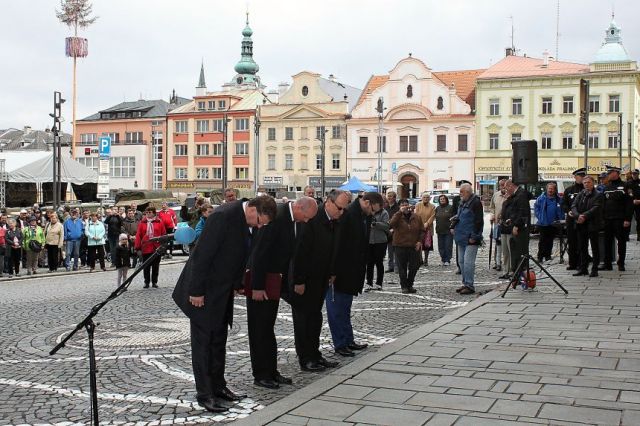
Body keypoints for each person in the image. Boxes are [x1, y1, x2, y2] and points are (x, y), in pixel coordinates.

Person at [172, 195, 276, 413]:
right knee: (203, 345)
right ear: (253, 209)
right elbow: (202, 254)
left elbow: (239, 255)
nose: (259, 226)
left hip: (222, 291)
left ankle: (219, 387)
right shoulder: (223, 216)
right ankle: (205, 394)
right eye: (259, 221)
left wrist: (238, 284)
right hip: (204, 291)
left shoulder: (247, 220)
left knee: (218, 340)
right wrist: (196, 291)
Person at [247, 197, 318, 389]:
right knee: (259, 330)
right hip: (262, 283)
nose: (306, 221)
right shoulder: (274, 216)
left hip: (275, 281)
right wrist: (257, 286)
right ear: (297, 207)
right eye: (306, 217)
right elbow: (259, 253)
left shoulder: (292, 219)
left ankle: (271, 371)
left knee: (268, 329)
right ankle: (261, 374)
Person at [292, 190, 349, 372]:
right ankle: (306, 358)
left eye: (344, 209)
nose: (341, 212)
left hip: (321, 278)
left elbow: (333, 248)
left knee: (315, 318)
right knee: (304, 320)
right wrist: (299, 280)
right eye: (339, 208)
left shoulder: (334, 220)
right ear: (329, 202)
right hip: (306, 279)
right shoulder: (312, 218)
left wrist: (332, 271)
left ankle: (315, 354)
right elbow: (300, 252)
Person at [329, 192, 383, 357]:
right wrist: (332, 271)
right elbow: (336, 245)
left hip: (353, 271)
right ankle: (340, 343)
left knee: (345, 308)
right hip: (341, 272)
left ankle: (348, 340)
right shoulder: (347, 214)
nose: (373, 214)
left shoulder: (362, 216)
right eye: (373, 210)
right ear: (366, 202)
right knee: (337, 309)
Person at [452, 183, 484, 295]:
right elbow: (460, 217)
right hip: (461, 236)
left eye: (462, 192)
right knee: (461, 262)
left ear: (467, 192)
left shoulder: (475, 203)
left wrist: (474, 236)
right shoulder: (463, 202)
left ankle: (470, 285)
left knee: (468, 262)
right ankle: (465, 283)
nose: (460, 194)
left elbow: (479, 221)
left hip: (470, 237)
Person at [570, 175, 603, 278]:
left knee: (594, 247)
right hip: (581, 224)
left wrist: (584, 216)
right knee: (582, 247)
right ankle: (583, 268)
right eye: (584, 183)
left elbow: (595, 208)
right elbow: (573, 206)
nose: (586, 184)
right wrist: (577, 216)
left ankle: (594, 269)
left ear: (593, 183)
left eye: (588, 182)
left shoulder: (598, 195)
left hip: (592, 224)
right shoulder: (581, 194)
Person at [602, 166, 633, 271]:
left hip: (620, 219)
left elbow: (629, 205)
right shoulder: (607, 187)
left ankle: (621, 263)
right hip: (608, 219)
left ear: (616, 173)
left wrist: (627, 219)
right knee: (607, 242)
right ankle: (608, 263)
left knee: (621, 242)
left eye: (610, 172)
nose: (608, 174)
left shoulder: (625, 186)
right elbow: (603, 204)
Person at [389, 199, 424, 294]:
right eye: (402, 205)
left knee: (414, 266)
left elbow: (422, 230)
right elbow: (391, 224)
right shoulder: (397, 216)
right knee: (402, 267)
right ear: (400, 206)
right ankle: (404, 286)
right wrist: (399, 212)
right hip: (400, 245)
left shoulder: (416, 217)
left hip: (413, 245)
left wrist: (419, 241)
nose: (405, 206)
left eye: (406, 204)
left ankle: (410, 284)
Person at [502, 180, 531, 274]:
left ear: (511, 186)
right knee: (516, 251)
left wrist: (516, 225)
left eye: (506, 188)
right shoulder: (516, 195)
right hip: (515, 224)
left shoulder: (521, 195)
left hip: (521, 228)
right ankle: (517, 273)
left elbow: (522, 212)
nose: (506, 190)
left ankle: (520, 273)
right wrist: (512, 220)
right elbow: (515, 211)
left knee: (520, 252)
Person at [134, 206, 166, 288]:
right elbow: (138, 236)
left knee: (155, 266)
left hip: (156, 247)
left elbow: (163, 234)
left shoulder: (159, 222)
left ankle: (154, 282)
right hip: (146, 247)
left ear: (154, 213)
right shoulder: (142, 223)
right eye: (147, 212)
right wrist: (138, 248)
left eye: (150, 212)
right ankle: (146, 282)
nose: (148, 214)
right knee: (146, 266)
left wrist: (163, 246)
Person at [534, 182, 564, 262]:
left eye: (552, 189)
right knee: (542, 240)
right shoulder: (541, 198)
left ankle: (548, 255)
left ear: (555, 190)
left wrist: (560, 219)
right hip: (543, 223)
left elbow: (561, 210)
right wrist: (540, 217)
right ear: (547, 189)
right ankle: (540, 256)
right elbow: (536, 208)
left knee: (550, 240)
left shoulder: (558, 199)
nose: (550, 190)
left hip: (554, 223)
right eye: (549, 188)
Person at [562, 168, 586, 271]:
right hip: (571, 220)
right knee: (572, 242)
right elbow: (563, 204)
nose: (582, 179)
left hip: (583, 219)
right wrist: (568, 211)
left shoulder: (586, 190)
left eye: (583, 177)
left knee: (582, 242)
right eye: (580, 177)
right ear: (575, 177)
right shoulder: (569, 190)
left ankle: (582, 263)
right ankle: (572, 263)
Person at [366, 202, 390, 291]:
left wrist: (376, 224)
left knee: (379, 262)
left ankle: (379, 283)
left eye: (375, 204)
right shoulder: (368, 212)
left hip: (380, 241)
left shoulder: (384, 213)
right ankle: (369, 283)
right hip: (369, 241)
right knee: (369, 263)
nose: (373, 206)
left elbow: (387, 225)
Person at [489, 179, 508, 272]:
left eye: (504, 185)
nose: (503, 187)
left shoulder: (510, 196)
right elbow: (492, 207)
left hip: (506, 223)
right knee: (498, 243)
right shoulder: (496, 195)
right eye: (501, 185)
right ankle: (497, 262)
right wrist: (492, 215)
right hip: (497, 223)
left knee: (506, 243)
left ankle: (507, 264)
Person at [414, 192, 435, 266]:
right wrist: (420, 224)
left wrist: (427, 223)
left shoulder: (432, 206)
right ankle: (420, 259)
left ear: (429, 198)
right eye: (424, 197)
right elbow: (416, 215)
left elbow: (432, 216)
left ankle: (426, 259)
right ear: (421, 198)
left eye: (427, 197)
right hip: (418, 227)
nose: (426, 199)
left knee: (427, 244)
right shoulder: (418, 205)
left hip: (428, 228)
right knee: (418, 243)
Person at [435, 194, 455, 266]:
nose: (442, 200)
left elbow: (454, 218)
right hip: (439, 230)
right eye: (441, 199)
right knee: (441, 246)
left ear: (446, 200)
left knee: (448, 245)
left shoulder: (450, 207)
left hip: (448, 230)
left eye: (443, 199)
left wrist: (453, 227)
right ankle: (443, 259)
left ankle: (447, 260)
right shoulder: (437, 208)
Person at [384, 191, 399, 273]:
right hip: (388, 232)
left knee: (396, 251)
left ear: (394, 198)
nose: (389, 198)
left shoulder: (398, 208)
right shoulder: (385, 207)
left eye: (391, 196)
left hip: (396, 231)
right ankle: (391, 267)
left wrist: (393, 228)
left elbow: (399, 220)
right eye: (388, 196)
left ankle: (397, 266)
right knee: (389, 251)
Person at [628, 169, 640, 241]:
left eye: (635, 174)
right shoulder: (628, 183)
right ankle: (626, 235)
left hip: (639, 203)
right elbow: (627, 193)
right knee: (628, 219)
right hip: (630, 203)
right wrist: (631, 200)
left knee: (639, 219)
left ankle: (639, 235)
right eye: (633, 174)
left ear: (638, 174)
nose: (634, 175)